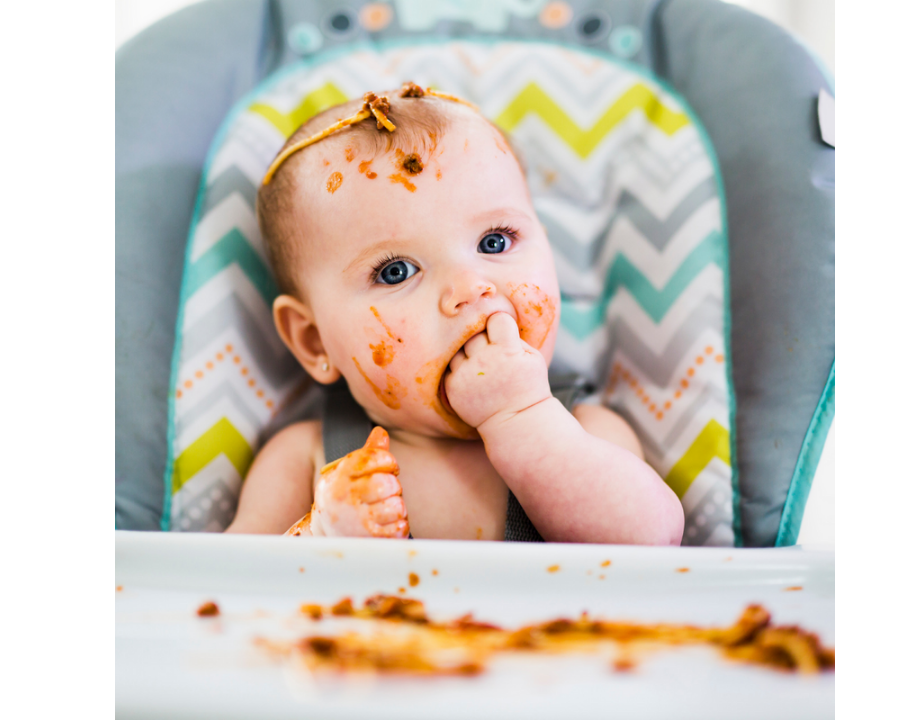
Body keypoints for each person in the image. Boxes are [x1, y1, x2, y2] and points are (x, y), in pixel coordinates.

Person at [224, 84, 683, 544]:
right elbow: (221, 585)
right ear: (314, 341)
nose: (470, 289)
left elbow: (653, 542)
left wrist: (523, 417)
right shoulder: (306, 458)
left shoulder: (585, 432)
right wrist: (320, 536)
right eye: (396, 272)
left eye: (495, 242)